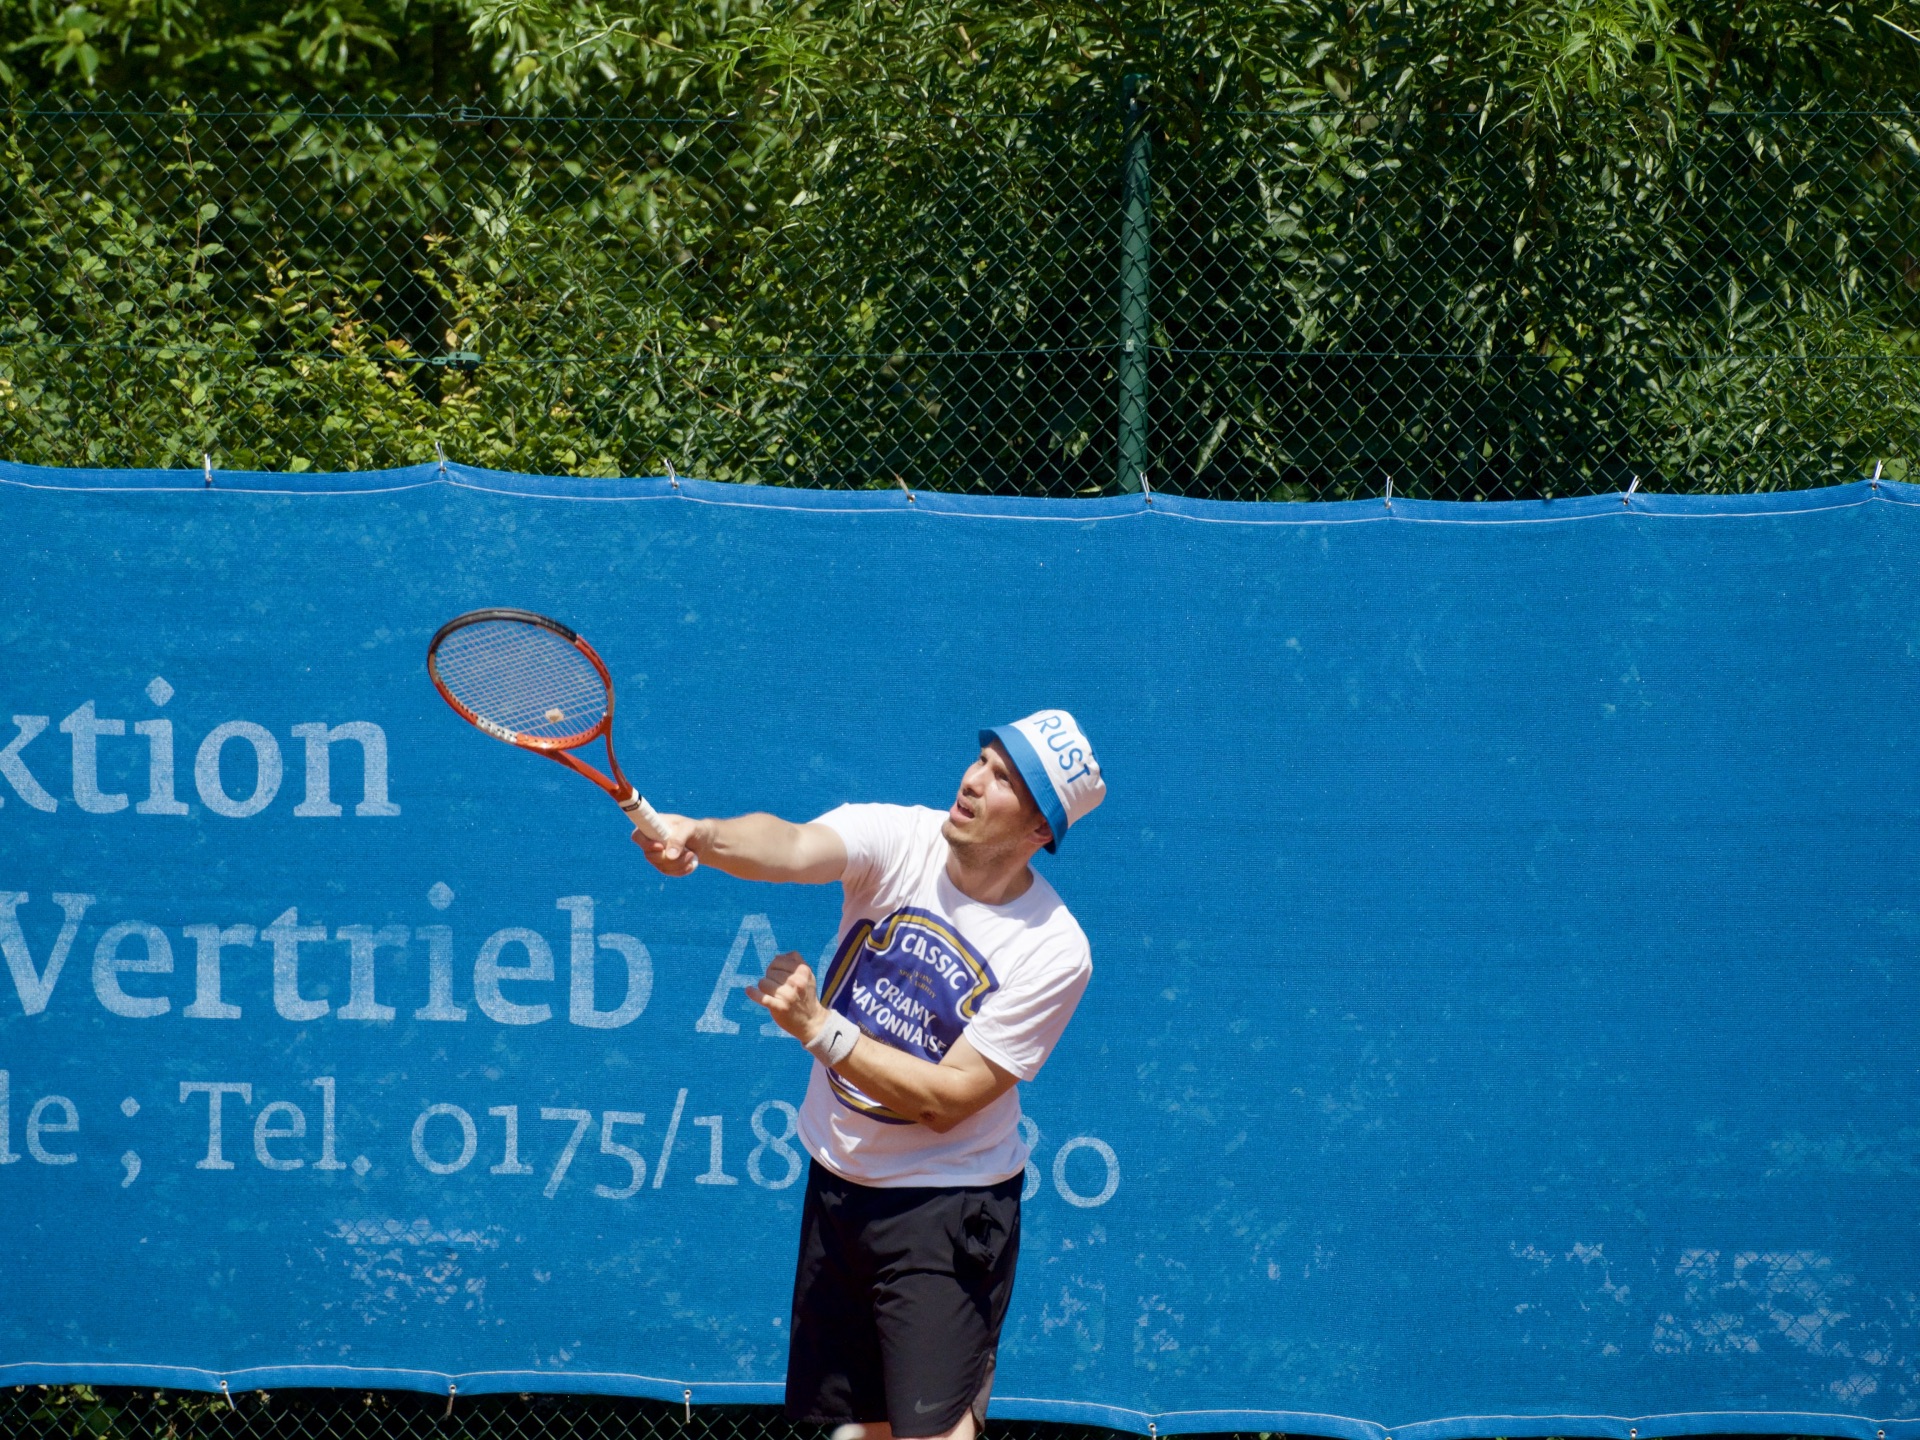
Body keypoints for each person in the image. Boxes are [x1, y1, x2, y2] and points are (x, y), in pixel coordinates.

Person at [636, 709, 1107, 1440]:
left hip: (945, 1205)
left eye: (1004, 780)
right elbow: (791, 846)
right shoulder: (901, 836)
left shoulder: (1055, 950)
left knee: (935, 1437)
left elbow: (948, 1099)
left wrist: (821, 1029)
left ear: (1039, 828)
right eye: (983, 759)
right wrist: (700, 834)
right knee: (860, 1431)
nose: (973, 780)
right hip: (839, 1184)